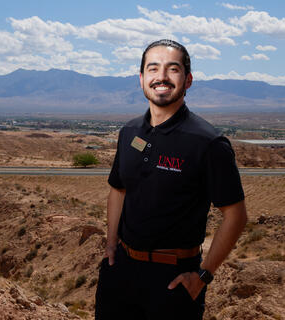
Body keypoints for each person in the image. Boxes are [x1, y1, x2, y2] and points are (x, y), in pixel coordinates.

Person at [95, 39, 248, 320]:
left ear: (188, 80)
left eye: (172, 69)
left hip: (173, 279)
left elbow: (235, 215)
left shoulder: (208, 142)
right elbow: (118, 190)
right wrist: (110, 245)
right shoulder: (129, 133)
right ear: (142, 78)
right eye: (153, 69)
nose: (161, 77)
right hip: (120, 273)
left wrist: (203, 275)